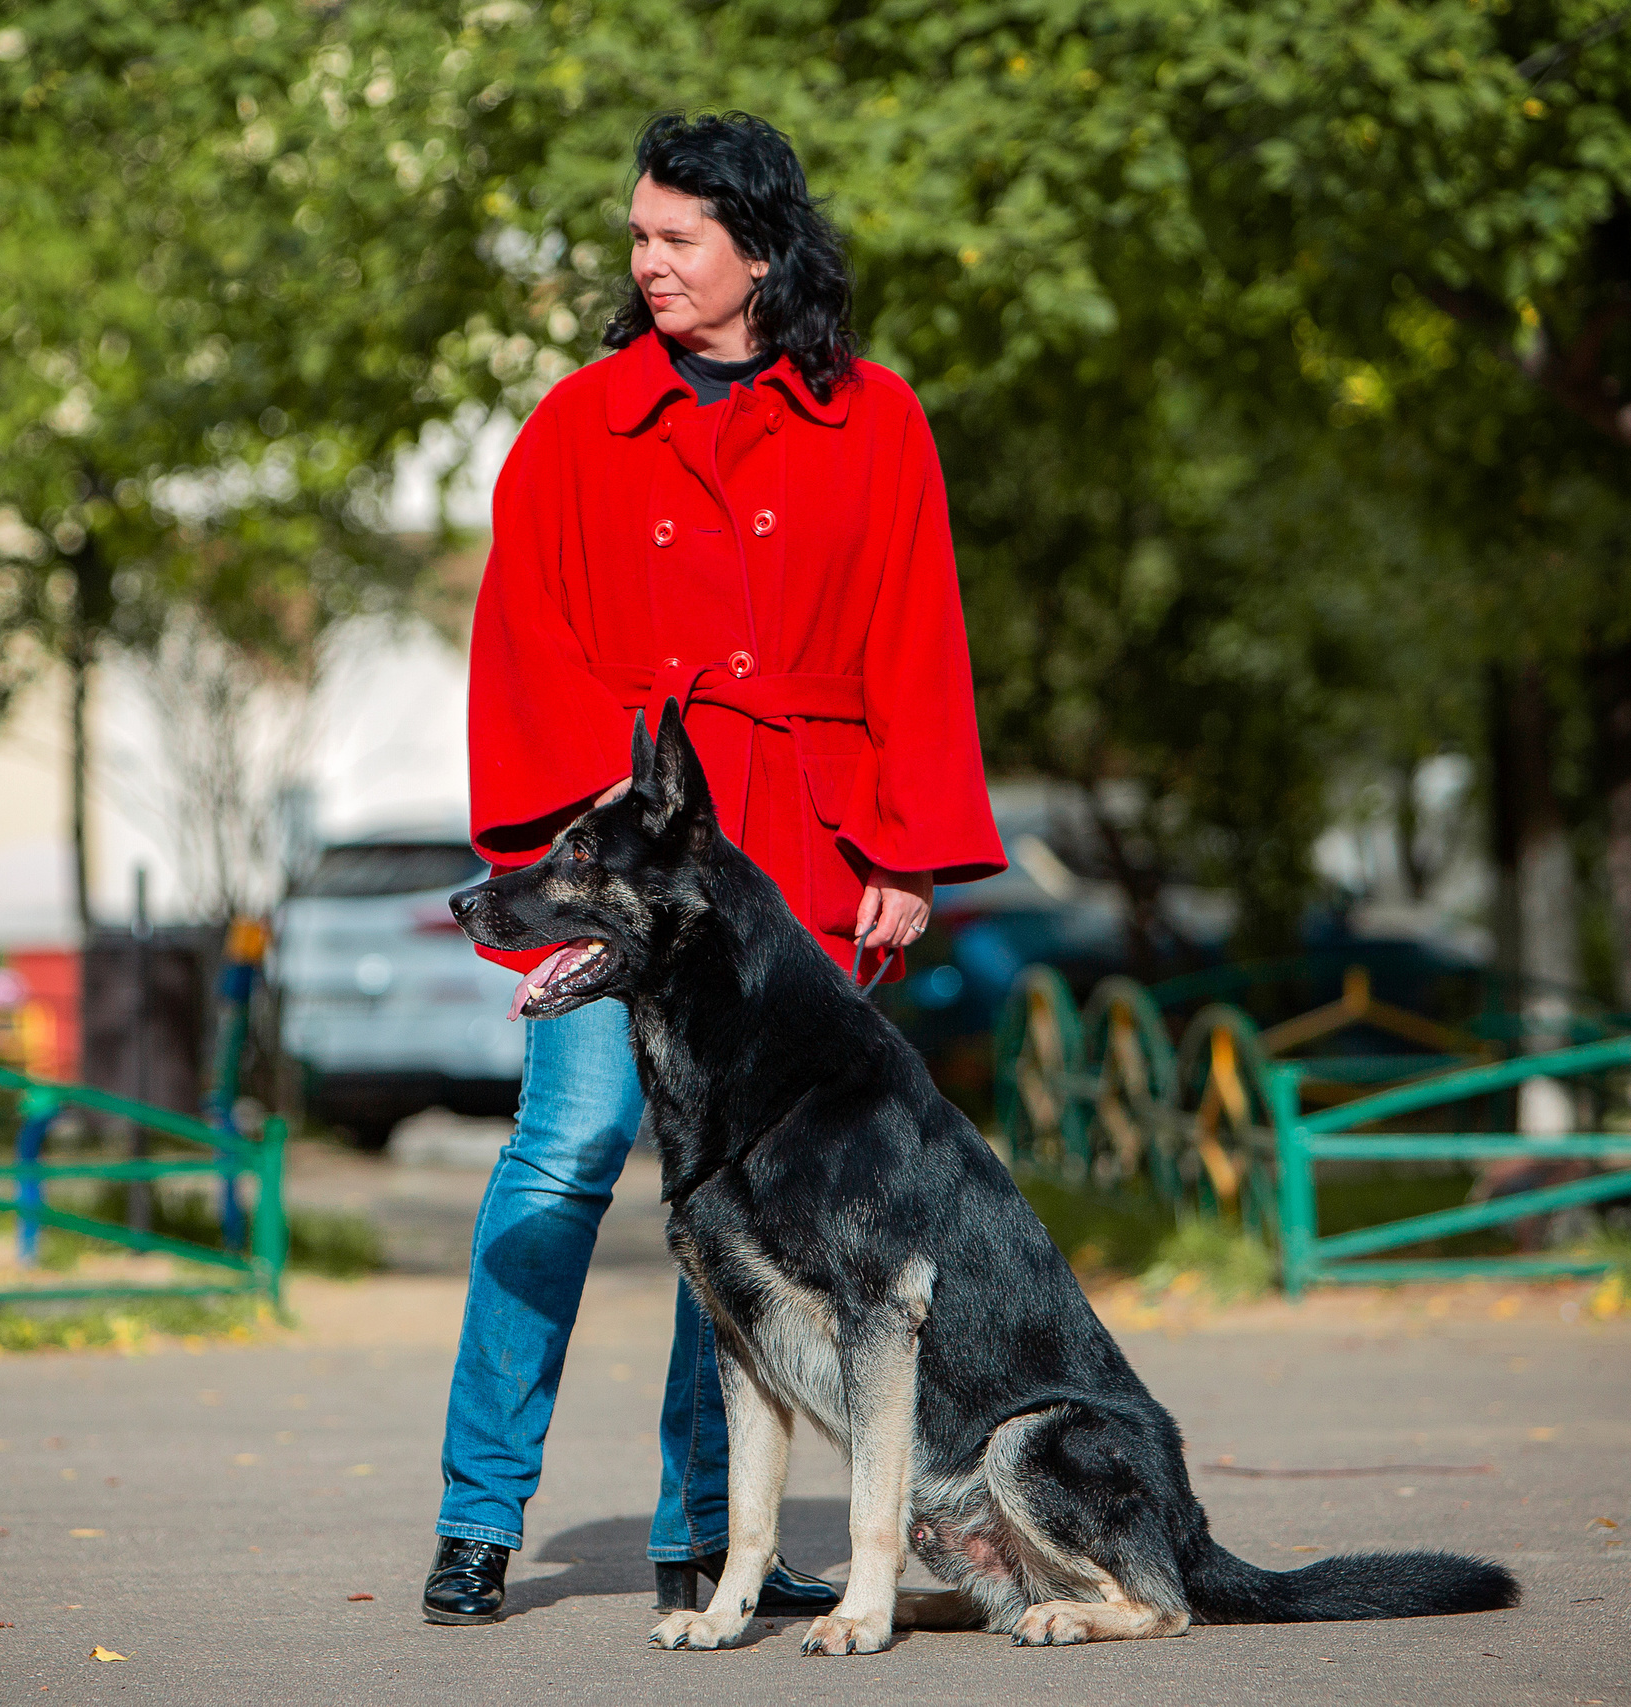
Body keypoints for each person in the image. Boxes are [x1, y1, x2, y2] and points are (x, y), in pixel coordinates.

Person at [422, 111, 1006, 1625]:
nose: (650, 262)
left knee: (739, 1197)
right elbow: (520, 635)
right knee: (562, 1158)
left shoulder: (875, 418)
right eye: (639, 238)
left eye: (680, 237)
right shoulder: (578, 422)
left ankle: (708, 1534)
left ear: (761, 247)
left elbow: (913, 634)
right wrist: (592, 810)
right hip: (634, 856)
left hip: (795, 850)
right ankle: (479, 1523)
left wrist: (904, 844)